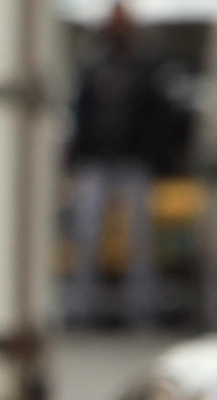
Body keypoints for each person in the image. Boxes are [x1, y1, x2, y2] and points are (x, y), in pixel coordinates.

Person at [66, 3, 177, 328]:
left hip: (133, 161)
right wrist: (76, 157)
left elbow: (160, 118)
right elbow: (82, 114)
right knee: (86, 237)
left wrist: (156, 157)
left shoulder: (146, 66)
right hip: (97, 161)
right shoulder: (94, 65)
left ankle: (140, 310)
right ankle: (80, 310)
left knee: (139, 241)